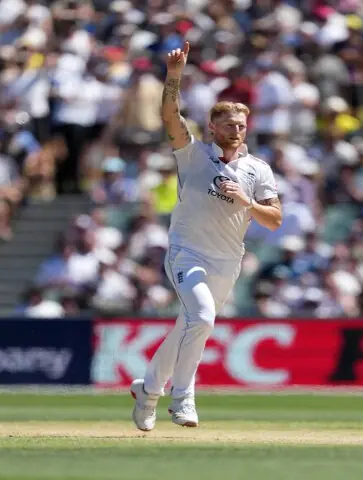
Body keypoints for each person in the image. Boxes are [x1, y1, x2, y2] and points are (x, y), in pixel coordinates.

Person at [130, 42, 282, 432]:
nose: (236, 130)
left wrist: (247, 202)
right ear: (212, 127)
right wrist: (174, 75)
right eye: (229, 125)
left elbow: (274, 220)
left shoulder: (258, 169)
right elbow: (169, 114)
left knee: (189, 324)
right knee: (201, 318)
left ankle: (147, 391)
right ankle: (183, 399)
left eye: (241, 125)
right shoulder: (192, 153)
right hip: (187, 253)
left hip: (227, 261)